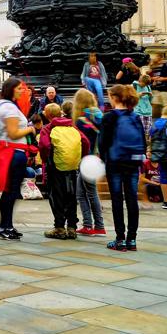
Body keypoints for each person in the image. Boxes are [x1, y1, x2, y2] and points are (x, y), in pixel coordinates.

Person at [100, 84, 147, 252]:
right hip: (133, 163)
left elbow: (103, 143)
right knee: (132, 200)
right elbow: (143, 141)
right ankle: (132, 240)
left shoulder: (109, 117)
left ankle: (120, 239)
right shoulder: (135, 117)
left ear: (114, 98)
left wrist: (103, 160)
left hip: (115, 163)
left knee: (117, 200)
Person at [0, 77, 37, 241]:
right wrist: (30, 129)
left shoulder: (4, 105)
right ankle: (3, 227)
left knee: (10, 191)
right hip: (13, 152)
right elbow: (13, 133)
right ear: (11, 89)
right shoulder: (9, 108)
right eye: (19, 88)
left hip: (12, 152)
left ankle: (7, 225)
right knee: (10, 191)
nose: (21, 91)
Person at [39, 103, 89, 239]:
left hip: (55, 168)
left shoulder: (47, 128)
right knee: (71, 196)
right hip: (72, 167)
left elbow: (44, 146)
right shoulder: (71, 126)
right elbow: (85, 142)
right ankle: (72, 227)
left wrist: (46, 160)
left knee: (56, 196)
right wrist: (80, 157)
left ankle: (59, 228)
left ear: (47, 115)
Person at [72, 88, 107, 237]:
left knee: (89, 193)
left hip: (86, 158)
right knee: (82, 193)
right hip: (96, 157)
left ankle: (97, 225)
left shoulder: (81, 120)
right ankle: (89, 225)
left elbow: (80, 141)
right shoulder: (99, 115)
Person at [149, 53, 167, 117]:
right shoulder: (153, 66)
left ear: (161, 57)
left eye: (156, 57)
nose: (154, 58)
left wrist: (163, 79)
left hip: (166, 89)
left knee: (166, 106)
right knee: (156, 105)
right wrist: (153, 78)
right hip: (156, 89)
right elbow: (150, 77)